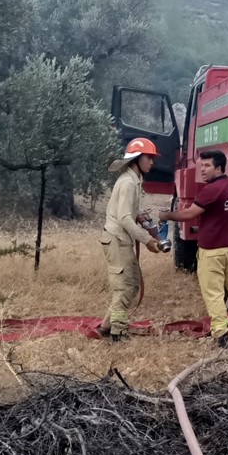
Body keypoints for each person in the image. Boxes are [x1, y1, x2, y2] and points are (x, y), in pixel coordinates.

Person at [160, 150, 228, 348]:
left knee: (214, 293)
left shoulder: (211, 190)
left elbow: (189, 214)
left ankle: (222, 336)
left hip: (213, 251)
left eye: (206, 166)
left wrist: (166, 215)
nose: (202, 170)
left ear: (219, 167)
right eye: (201, 166)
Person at [99, 137, 163, 342]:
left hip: (120, 239)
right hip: (117, 239)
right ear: (136, 159)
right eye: (148, 158)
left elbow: (127, 213)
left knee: (132, 285)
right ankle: (118, 333)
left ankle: (106, 327)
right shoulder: (128, 183)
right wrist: (147, 239)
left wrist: (140, 216)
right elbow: (124, 218)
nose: (152, 162)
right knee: (125, 287)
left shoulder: (133, 180)